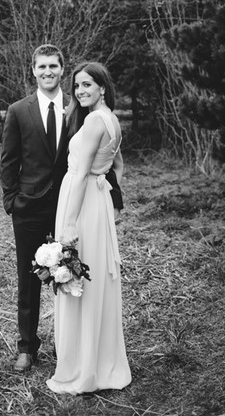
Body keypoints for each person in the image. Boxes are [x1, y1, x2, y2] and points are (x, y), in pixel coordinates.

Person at [0, 46, 123, 373]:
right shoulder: (18, 110)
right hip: (28, 207)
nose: (48, 72)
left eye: (53, 66)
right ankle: (27, 347)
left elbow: (98, 158)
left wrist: (113, 196)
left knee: (71, 274)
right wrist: (11, 201)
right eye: (42, 66)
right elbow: (8, 161)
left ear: (61, 69)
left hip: (70, 207)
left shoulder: (78, 107)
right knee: (29, 278)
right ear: (33, 69)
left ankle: (67, 344)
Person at [46, 61, 131, 394]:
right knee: (91, 278)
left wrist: (69, 222)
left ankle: (82, 368)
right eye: (77, 86)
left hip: (81, 202)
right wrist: (106, 191)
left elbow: (81, 174)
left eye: (87, 85)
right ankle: (96, 358)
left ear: (102, 88)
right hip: (96, 202)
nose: (80, 91)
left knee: (78, 277)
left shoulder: (95, 121)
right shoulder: (112, 119)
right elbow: (118, 166)